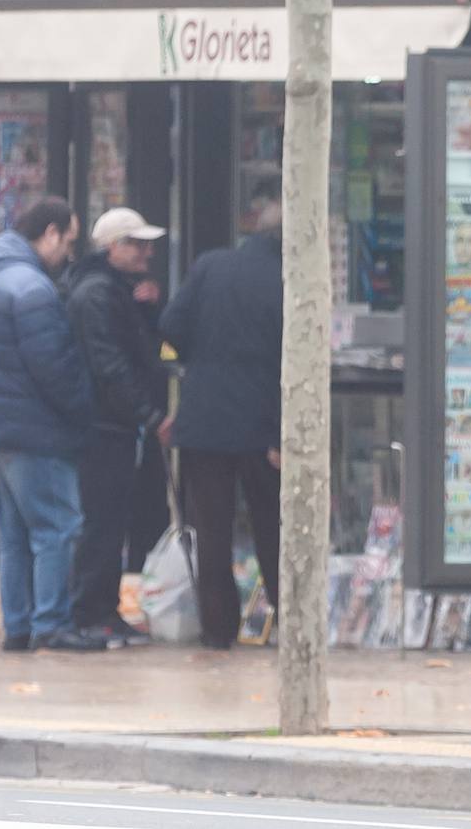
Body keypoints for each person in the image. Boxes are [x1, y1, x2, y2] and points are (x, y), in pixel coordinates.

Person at [0, 197, 106, 652]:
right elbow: (55, 367)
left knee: (15, 536)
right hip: (35, 430)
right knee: (56, 527)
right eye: (67, 240)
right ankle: (51, 624)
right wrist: (84, 409)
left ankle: (20, 626)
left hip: (3, 429)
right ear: (49, 233)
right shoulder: (32, 288)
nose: (68, 252)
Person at [160, 206, 284, 650]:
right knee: (272, 527)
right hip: (261, 425)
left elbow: (171, 323)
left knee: (211, 529)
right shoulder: (289, 281)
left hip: (205, 420)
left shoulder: (211, 265)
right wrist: (279, 434)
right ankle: (288, 623)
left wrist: (204, 362)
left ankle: (218, 630)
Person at [64, 208, 171, 646]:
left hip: (114, 425)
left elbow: (139, 352)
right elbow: (112, 367)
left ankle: (102, 609)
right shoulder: (97, 295)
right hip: (104, 427)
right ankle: (92, 612)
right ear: (113, 248)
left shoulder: (115, 292)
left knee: (111, 521)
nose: (148, 252)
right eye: (137, 244)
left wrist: (147, 311)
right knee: (103, 523)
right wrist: (149, 415)